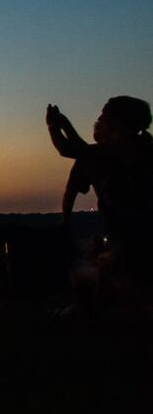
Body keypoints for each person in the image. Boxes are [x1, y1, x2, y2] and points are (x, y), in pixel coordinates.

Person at [46, 96, 153, 312]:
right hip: (127, 233)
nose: (100, 118)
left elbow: (71, 149)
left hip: (136, 233)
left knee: (130, 281)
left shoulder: (130, 149)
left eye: (104, 114)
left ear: (120, 122)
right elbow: (80, 153)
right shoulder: (129, 149)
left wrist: (56, 126)